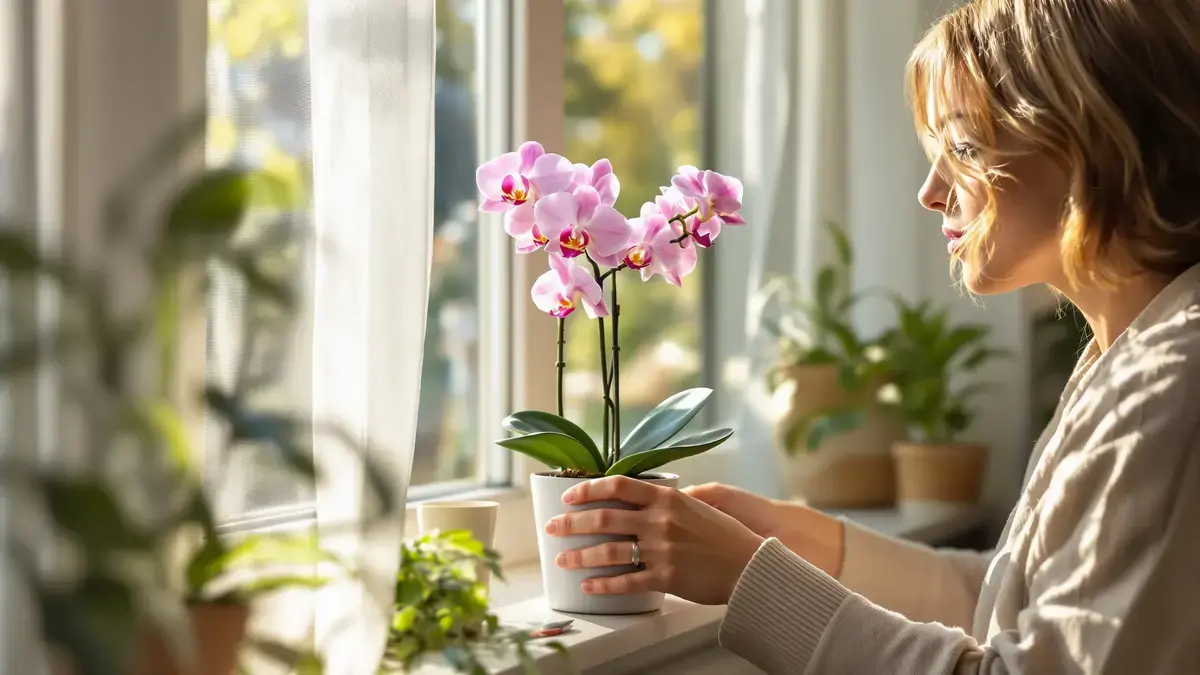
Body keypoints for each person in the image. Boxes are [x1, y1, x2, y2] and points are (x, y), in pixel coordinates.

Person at [544, 1, 1200, 672]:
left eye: (964, 148)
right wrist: (808, 542)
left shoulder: (1169, 385)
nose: (930, 191)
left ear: (1097, 143)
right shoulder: (1128, 354)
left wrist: (747, 576)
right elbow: (1013, 599)